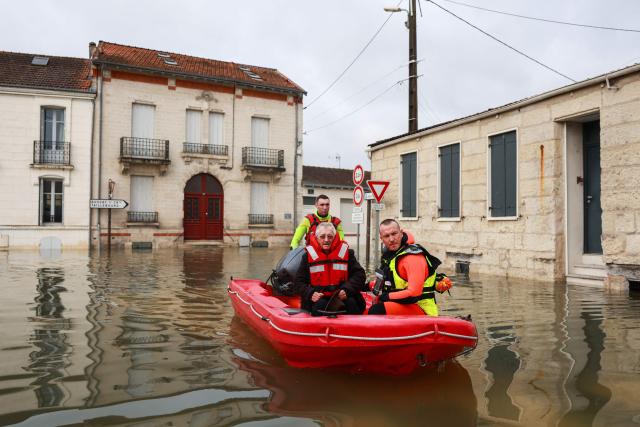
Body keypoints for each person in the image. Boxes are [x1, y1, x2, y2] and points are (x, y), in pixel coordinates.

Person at [368, 219, 448, 316]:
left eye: (394, 234)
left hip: (421, 308)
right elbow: (387, 281)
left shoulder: (413, 257)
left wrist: (385, 297)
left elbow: (414, 293)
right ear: (381, 238)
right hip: (403, 303)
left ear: (401, 233)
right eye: (387, 236)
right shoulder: (391, 256)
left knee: (376, 310)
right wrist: (363, 286)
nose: (391, 239)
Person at [294, 222, 366, 316]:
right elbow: (298, 282)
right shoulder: (307, 256)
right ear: (316, 238)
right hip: (319, 298)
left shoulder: (347, 253)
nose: (326, 240)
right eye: (322, 236)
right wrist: (310, 293)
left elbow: (360, 275)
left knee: (352, 305)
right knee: (319, 307)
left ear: (335, 237)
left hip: (342, 295)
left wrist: (347, 289)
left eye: (330, 236)